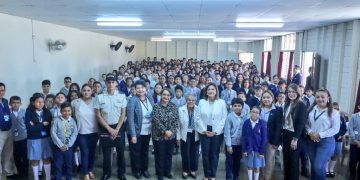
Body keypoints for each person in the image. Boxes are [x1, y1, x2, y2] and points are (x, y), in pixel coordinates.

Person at [94, 74, 127, 180]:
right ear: (106, 83)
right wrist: (109, 129)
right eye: (109, 82)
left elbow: (123, 114)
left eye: (113, 82)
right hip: (105, 127)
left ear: (116, 83)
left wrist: (117, 129)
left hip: (119, 126)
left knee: (121, 152)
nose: (111, 84)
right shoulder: (99, 97)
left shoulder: (121, 96)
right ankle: (106, 173)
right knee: (106, 152)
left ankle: (121, 173)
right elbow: (98, 115)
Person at [306, 88, 340, 180]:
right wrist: (310, 132)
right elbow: (306, 124)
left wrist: (320, 134)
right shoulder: (311, 109)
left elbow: (335, 129)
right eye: (317, 97)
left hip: (326, 142)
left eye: (322, 97)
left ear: (328, 98)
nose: (320, 99)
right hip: (311, 140)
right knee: (313, 166)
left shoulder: (334, 112)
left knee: (318, 166)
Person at [196, 83, 227, 180]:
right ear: (206, 91)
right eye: (208, 89)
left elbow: (224, 118)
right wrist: (204, 130)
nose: (210, 91)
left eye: (213, 89)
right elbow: (197, 117)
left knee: (214, 154)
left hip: (217, 132)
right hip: (204, 131)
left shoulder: (221, 102)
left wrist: (216, 131)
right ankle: (206, 175)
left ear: (216, 91)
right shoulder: (201, 102)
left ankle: (213, 175)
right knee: (205, 154)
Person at [126, 80, 154, 179]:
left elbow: (153, 110)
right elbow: (130, 119)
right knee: (135, 152)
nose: (140, 90)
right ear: (135, 90)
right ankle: (136, 171)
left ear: (146, 88)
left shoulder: (149, 97)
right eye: (138, 88)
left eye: (142, 87)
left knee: (145, 151)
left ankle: (144, 169)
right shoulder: (132, 100)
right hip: (136, 131)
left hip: (147, 130)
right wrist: (133, 135)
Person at [71, 84, 99, 180]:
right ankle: (85, 172)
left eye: (88, 90)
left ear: (92, 91)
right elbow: (73, 117)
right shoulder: (75, 102)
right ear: (81, 91)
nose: (86, 92)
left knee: (92, 152)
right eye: (84, 90)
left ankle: (90, 169)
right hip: (81, 132)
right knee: (85, 152)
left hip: (94, 131)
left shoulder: (96, 101)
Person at [152, 88, 179, 180]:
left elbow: (176, 120)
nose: (166, 96)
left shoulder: (174, 106)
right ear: (161, 95)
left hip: (170, 136)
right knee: (159, 155)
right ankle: (160, 173)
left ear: (170, 96)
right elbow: (156, 120)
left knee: (168, 155)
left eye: (168, 95)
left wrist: (170, 132)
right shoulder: (156, 106)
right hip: (158, 136)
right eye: (164, 94)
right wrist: (165, 131)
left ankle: (167, 172)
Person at [25, 93, 53, 180]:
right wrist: (42, 124)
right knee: (35, 159)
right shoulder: (29, 112)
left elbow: (49, 125)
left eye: (42, 102)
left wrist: (36, 125)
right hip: (33, 139)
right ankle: (36, 178)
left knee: (46, 158)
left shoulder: (47, 111)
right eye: (38, 102)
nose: (40, 104)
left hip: (46, 138)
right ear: (33, 103)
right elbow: (30, 128)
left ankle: (48, 178)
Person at [282, 84, 307, 180]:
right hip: (286, 133)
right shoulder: (287, 104)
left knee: (293, 161)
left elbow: (301, 123)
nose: (291, 94)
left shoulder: (301, 105)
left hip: (295, 135)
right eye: (289, 92)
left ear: (298, 93)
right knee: (286, 159)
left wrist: (295, 139)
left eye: (293, 92)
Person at [51, 102, 78, 180]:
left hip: (68, 147)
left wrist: (68, 144)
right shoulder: (56, 120)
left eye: (69, 111)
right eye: (64, 111)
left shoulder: (72, 120)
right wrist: (60, 145)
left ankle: (69, 178)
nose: (66, 113)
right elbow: (53, 133)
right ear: (61, 111)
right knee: (58, 164)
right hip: (58, 147)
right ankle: (58, 177)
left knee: (69, 164)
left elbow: (75, 133)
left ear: (71, 111)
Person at [177, 93, 200, 179]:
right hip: (184, 133)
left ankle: (193, 170)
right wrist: (178, 137)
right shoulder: (181, 109)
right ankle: (185, 170)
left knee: (194, 153)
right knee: (185, 153)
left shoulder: (199, 109)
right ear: (186, 100)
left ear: (195, 101)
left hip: (195, 133)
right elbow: (178, 125)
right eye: (189, 100)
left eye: (193, 100)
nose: (191, 101)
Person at [260, 90, 283, 180]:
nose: (266, 99)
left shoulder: (277, 110)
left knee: (269, 160)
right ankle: (262, 176)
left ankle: (268, 177)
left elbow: (278, 127)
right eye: (264, 97)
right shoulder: (258, 109)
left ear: (272, 98)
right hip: (260, 139)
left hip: (271, 140)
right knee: (260, 159)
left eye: (268, 97)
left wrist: (276, 142)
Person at [242, 106, 267, 180]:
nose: (255, 114)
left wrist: (262, 151)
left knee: (256, 166)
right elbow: (243, 137)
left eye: (257, 112)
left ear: (259, 114)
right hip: (249, 148)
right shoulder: (246, 122)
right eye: (253, 111)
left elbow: (264, 138)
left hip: (258, 149)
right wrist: (244, 149)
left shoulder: (262, 123)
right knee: (249, 166)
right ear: (250, 112)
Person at [224, 98, 245, 180]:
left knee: (237, 162)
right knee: (229, 162)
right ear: (232, 107)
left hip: (240, 144)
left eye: (239, 106)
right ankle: (228, 177)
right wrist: (228, 146)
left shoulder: (245, 117)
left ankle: (236, 177)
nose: (237, 107)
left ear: (242, 107)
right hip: (231, 144)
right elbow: (227, 132)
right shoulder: (229, 117)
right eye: (235, 106)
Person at [326, 102, 347, 178]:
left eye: (337, 108)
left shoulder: (342, 117)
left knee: (335, 155)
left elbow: (344, 128)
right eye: (334, 108)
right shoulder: (327, 117)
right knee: (328, 154)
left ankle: (331, 169)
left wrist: (341, 135)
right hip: (329, 139)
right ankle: (326, 169)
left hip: (338, 140)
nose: (336, 110)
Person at [0, 83, 17, 178]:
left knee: (8, 152)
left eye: (2, 90)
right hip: (0, 131)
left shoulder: (6, 101)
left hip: (8, 130)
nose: (1, 92)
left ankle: (8, 171)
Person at [10, 96, 28, 178]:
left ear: (20, 103)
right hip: (13, 138)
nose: (15, 104)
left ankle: (25, 172)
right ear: (10, 104)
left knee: (24, 156)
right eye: (13, 103)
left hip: (23, 138)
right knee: (16, 156)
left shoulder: (24, 112)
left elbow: (27, 123)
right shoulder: (8, 113)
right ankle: (19, 172)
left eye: (17, 103)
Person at [347, 104, 360, 180]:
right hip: (354, 143)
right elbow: (350, 128)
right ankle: (352, 174)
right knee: (352, 161)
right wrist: (355, 140)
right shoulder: (354, 116)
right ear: (359, 107)